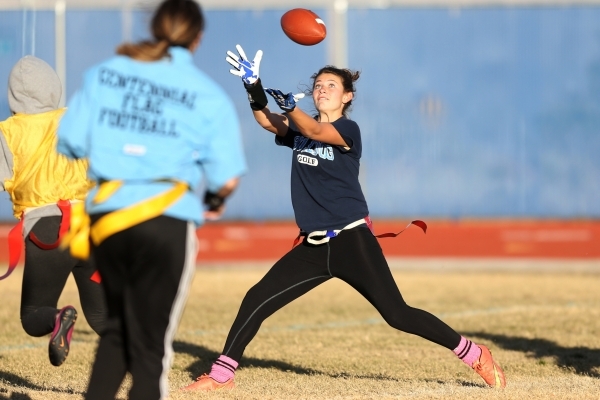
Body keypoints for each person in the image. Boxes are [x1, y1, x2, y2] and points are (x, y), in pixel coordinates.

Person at [182, 45, 507, 391]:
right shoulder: (298, 133)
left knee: (397, 314)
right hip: (313, 245)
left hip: (351, 240)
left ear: (347, 96)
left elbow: (318, 132)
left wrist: (291, 108)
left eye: (331, 86)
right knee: (256, 297)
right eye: (318, 85)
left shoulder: (349, 131)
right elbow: (265, 119)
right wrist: (253, 87)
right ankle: (222, 374)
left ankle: (474, 353)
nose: (322, 89)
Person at [56, 1, 246, 399]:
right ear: (198, 38)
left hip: (110, 217)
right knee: (149, 348)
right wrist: (212, 196)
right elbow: (227, 177)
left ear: (154, 26)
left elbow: (71, 142)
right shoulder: (205, 92)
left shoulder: (105, 73)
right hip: (166, 218)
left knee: (117, 333)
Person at [0, 55, 107, 367]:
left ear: (13, 94)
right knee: (102, 317)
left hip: (46, 232)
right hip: (88, 226)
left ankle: (60, 318)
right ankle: (145, 364)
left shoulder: (8, 132)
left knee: (33, 315)